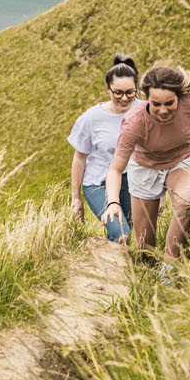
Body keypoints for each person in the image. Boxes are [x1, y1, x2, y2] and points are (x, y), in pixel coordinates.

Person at [100, 62, 190, 264]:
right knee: (145, 247)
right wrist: (113, 203)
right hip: (145, 166)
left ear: (179, 98)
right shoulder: (134, 122)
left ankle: (170, 267)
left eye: (169, 103)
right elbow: (115, 169)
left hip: (181, 160)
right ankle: (150, 273)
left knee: (185, 204)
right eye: (156, 104)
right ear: (146, 98)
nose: (163, 110)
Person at [67, 54, 143, 242]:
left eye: (130, 92)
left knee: (135, 231)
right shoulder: (91, 119)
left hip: (131, 180)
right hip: (97, 183)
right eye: (118, 92)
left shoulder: (146, 110)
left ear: (136, 89)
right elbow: (79, 158)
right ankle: (113, 267)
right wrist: (76, 199)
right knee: (120, 234)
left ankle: (125, 268)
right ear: (108, 89)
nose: (124, 98)